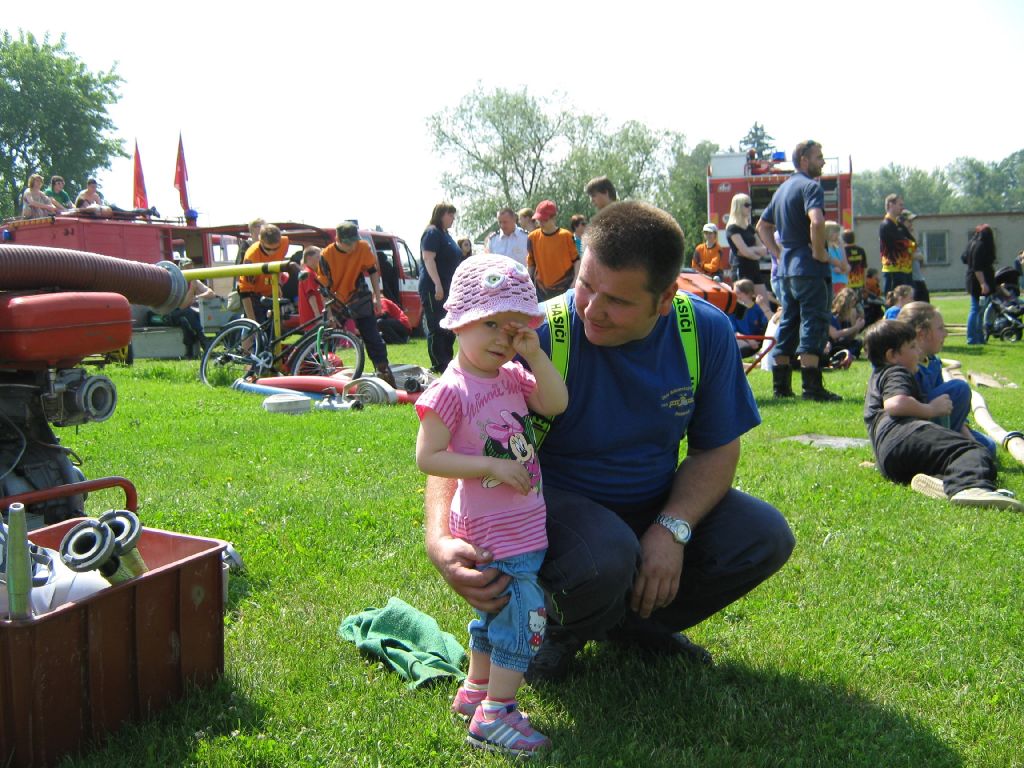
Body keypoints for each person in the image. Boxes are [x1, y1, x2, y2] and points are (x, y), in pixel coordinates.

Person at [424, 201, 794, 688]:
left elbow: (717, 449)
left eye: (617, 301)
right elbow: (456, 427)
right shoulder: (535, 333)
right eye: (586, 285)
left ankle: (637, 627)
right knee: (608, 556)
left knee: (763, 535)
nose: (592, 310)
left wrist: (672, 528)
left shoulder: (703, 331)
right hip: (546, 512)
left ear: (665, 298)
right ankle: (555, 628)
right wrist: (440, 539)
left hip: (648, 505)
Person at [415, 254, 569, 756]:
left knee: (494, 615)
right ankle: (495, 716)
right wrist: (489, 466)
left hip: (519, 522)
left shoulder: (511, 376)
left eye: (513, 327)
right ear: (458, 322)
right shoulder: (450, 390)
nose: (503, 338)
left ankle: (476, 690)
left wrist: (536, 356)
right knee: (523, 616)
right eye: (490, 324)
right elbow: (427, 457)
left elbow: (556, 403)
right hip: (492, 529)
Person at [862, 320, 1020, 511]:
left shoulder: (877, 378)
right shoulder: (896, 372)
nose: (918, 352)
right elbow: (895, 404)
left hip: (889, 460)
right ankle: (971, 487)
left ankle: (942, 482)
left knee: (948, 457)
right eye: (912, 347)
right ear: (892, 355)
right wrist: (931, 409)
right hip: (905, 436)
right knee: (970, 451)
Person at [756, 140, 841, 402]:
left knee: (789, 323)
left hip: (786, 271)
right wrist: (820, 253)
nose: (823, 162)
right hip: (809, 269)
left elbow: (762, 226)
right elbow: (817, 221)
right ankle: (811, 388)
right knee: (814, 322)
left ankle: (781, 387)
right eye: (819, 157)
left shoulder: (782, 189)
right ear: (804, 159)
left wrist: (778, 254)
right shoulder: (811, 186)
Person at [897, 302, 997, 457]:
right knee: (959, 388)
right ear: (922, 334)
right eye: (940, 328)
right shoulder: (906, 368)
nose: (945, 334)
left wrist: (967, 435)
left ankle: (957, 445)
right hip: (918, 430)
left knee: (989, 445)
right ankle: (949, 448)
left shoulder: (933, 362)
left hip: (940, 422)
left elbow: (948, 405)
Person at [318, 222, 396, 386]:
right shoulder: (326, 255)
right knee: (328, 336)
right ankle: (322, 372)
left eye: (354, 242)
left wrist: (377, 297)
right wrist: (330, 314)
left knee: (373, 336)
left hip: (358, 294)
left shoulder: (362, 247)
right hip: (335, 298)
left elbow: (373, 272)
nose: (352, 247)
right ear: (338, 239)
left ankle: (383, 371)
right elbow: (323, 289)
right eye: (348, 243)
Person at [419, 202, 463, 373]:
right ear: (442, 214)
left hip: (450, 288)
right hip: (434, 288)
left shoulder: (446, 235)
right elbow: (428, 259)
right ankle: (439, 364)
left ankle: (447, 361)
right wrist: (437, 284)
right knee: (437, 326)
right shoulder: (432, 233)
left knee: (449, 326)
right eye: (450, 215)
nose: (453, 219)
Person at [526, 200, 580, 301]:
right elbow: (531, 264)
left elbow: (576, 261)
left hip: (565, 288)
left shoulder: (566, 236)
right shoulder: (532, 237)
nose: (541, 223)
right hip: (541, 292)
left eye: (544, 220)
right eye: (539, 219)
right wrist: (527, 285)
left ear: (554, 218)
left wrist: (575, 281)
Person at [726, 193, 773, 308]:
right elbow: (745, 251)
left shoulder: (750, 228)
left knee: (764, 302)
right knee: (743, 304)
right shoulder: (732, 228)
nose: (750, 207)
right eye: (746, 205)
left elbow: (763, 250)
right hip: (741, 269)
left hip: (754, 268)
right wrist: (754, 252)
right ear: (738, 206)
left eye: (750, 205)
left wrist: (752, 251)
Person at [238, 223, 290, 325]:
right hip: (254, 296)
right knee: (254, 328)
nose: (272, 252)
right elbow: (244, 291)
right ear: (260, 241)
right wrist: (252, 322)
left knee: (276, 328)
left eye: (276, 248)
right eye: (268, 249)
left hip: (272, 292)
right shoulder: (251, 256)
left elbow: (279, 264)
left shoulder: (284, 243)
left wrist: (278, 283)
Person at [167, 257, 216, 358]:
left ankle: (190, 352)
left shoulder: (194, 281)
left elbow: (211, 293)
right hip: (172, 314)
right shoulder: (176, 282)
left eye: (191, 267)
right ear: (181, 269)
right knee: (188, 313)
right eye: (187, 268)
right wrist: (192, 290)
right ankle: (205, 343)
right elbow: (182, 307)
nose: (190, 270)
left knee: (186, 320)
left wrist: (198, 297)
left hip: (186, 315)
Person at [964, 224, 996, 345]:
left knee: (980, 310)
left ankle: (979, 337)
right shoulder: (981, 246)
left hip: (974, 280)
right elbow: (977, 268)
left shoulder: (972, 243)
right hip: (978, 282)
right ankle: (972, 338)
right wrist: (983, 284)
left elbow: (964, 258)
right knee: (976, 309)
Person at [879, 194, 914, 294]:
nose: (902, 207)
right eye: (900, 205)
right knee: (894, 300)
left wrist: (909, 245)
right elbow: (900, 244)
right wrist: (908, 244)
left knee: (908, 299)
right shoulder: (886, 225)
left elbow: (913, 242)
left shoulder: (899, 225)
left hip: (905, 269)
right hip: (893, 270)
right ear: (891, 205)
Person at [74, 178, 159, 219]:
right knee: (130, 215)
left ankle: (150, 211)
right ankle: (147, 211)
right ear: (88, 186)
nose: (94, 189)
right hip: (109, 212)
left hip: (111, 209)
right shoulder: (82, 196)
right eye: (92, 187)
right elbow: (77, 206)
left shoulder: (95, 196)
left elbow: (100, 206)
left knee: (129, 213)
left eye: (95, 187)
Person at [732, 279, 769, 357]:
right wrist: (748, 339)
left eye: (738, 293)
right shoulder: (733, 309)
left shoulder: (758, 309)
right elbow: (733, 331)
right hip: (741, 340)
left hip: (757, 342)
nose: (735, 296)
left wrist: (763, 305)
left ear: (748, 294)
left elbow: (767, 326)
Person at [828, 287, 865, 361]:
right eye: (851, 305)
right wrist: (855, 327)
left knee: (858, 342)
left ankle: (849, 354)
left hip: (841, 344)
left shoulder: (848, 317)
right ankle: (847, 355)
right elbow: (834, 335)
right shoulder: (830, 316)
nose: (852, 308)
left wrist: (856, 326)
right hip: (830, 345)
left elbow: (850, 338)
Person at [902, 211, 929, 302]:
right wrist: (917, 256)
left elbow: (919, 255)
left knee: (925, 306)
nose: (911, 224)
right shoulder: (901, 238)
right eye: (909, 221)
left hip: (918, 278)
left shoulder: (911, 237)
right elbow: (904, 255)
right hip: (910, 279)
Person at [296, 246, 324, 326]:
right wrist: (318, 317)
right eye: (318, 257)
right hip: (312, 320)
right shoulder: (309, 273)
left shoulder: (309, 272)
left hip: (309, 320)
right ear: (309, 258)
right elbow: (311, 296)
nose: (320, 260)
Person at [826, 221, 850, 296]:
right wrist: (843, 269)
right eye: (835, 231)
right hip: (832, 282)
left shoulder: (838, 248)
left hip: (842, 281)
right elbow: (842, 266)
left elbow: (847, 267)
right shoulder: (826, 249)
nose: (838, 234)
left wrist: (842, 247)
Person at [843, 229, 866, 301]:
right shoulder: (861, 250)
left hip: (846, 284)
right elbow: (863, 267)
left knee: (847, 304)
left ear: (844, 239)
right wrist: (864, 284)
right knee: (858, 303)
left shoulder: (842, 251)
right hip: (859, 283)